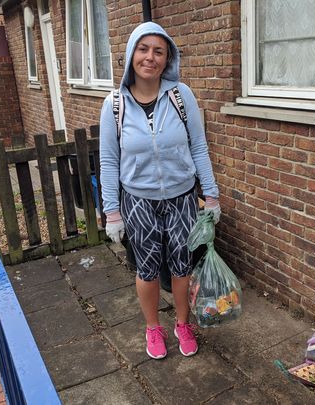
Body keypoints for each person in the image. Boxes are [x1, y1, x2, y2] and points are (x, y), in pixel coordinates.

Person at [99, 22, 221, 360]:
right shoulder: (114, 106)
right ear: (131, 55)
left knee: (181, 265)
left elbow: (199, 146)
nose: (150, 57)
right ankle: (153, 328)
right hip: (138, 201)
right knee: (147, 269)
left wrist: (210, 195)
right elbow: (108, 162)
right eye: (143, 49)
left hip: (182, 198)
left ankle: (183, 323)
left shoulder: (181, 96)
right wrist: (112, 212)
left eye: (158, 51)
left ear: (167, 59)